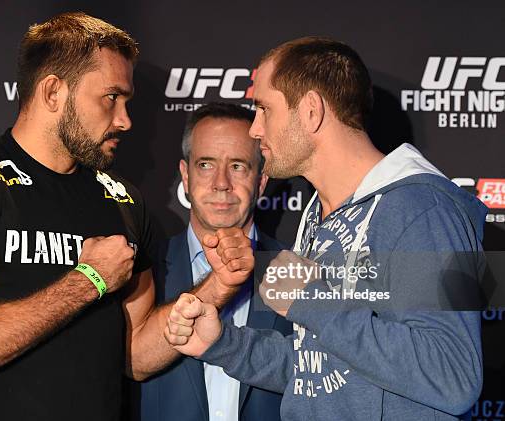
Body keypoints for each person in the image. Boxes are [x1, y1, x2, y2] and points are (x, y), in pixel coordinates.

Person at [0, 13, 253, 420]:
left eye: (127, 101)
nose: (125, 119)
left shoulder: (123, 201)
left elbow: (136, 355)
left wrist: (218, 286)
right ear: (53, 91)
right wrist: (89, 279)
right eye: (111, 97)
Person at [164, 37, 486, 420]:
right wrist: (223, 344)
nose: (254, 128)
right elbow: (320, 373)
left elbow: (453, 375)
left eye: (264, 109)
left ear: (312, 111)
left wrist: (312, 300)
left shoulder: (422, 209)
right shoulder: (319, 215)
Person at [140, 102, 291, 421]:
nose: (221, 183)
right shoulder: (145, 269)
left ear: (261, 181)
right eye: (206, 165)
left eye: (238, 166)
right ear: (185, 175)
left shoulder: (294, 270)